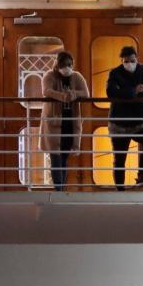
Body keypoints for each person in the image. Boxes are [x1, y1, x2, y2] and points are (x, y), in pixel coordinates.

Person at [106, 46, 143, 190]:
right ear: (122, 61)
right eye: (126, 61)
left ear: (137, 58)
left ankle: (142, 175)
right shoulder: (114, 73)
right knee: (120, 159)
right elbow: (110, 93)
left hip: (139, 121)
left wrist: (123, 92)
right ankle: (120, 191)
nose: (129, 64)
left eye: (132, 60)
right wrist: (134, 90)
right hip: (119, 123)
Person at [41, 51, 89, 191]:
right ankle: (58, 191)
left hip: (69, 122)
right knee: (55, 157)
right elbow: (46, 91)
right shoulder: (50, 75)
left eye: (69, 65)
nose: (67, 67)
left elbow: (85, 93)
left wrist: (73, 94)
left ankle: (61, 190)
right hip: (54, 122)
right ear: (57, 65)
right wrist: (63, 96)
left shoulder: (77, 76)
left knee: (64, 158)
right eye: (63, 65)